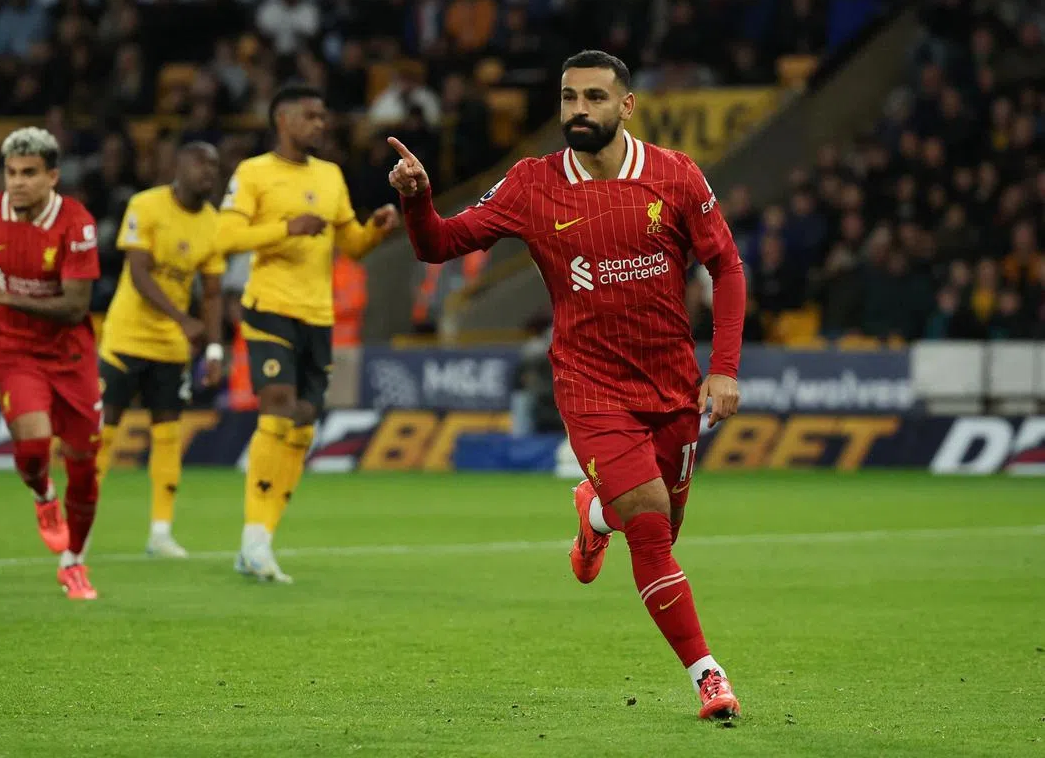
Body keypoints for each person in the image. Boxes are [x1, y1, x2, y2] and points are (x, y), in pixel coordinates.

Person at [388, 50, 746, 720]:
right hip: (589, 385)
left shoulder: (676, 175)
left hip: (672, 386)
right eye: (568, 98)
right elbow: (438, 244)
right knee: (651, 529)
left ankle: (594, 514)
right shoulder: (532, 184)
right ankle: (709, 677)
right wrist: (417, 199)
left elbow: (726, 267)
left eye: (593, 98)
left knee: (661, 524)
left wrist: (723, 366)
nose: (578, 110)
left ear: (626, 106)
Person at [216, 84, 400, 583]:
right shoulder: (253, 172)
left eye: (324, 116)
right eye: (311, 116)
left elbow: (351, 245)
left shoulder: (330, 175)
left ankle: (260, 539)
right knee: (278, 405)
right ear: (283, 120)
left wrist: (375, 228)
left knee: (301, 423)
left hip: (318, 317)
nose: (321, 124)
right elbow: (225, 236)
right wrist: (285, 228)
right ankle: (254, 539)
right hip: (268, 308)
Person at [0, 127, 103, 601]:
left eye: (29, 173)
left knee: (83, 465)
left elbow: (75, 307)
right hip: (14, 349)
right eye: (11, 172)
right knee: (35, 448)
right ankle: (43, 495)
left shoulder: (76, 224)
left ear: (52, 177)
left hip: (71, 354)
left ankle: (73, 562)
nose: (17, 182)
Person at [94, 142, 226, 558]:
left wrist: (215, 351)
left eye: (214, 166)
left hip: (171, 348)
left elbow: (213, 294)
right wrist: (182, 319)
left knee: (168, 436)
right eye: (200, 163)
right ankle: (81, 522)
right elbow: (138, 273)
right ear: (178, 166)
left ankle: (161, 532)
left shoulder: (214, 223)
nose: (209, 171)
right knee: (104, 433)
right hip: (127, 338)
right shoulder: (145, 205)